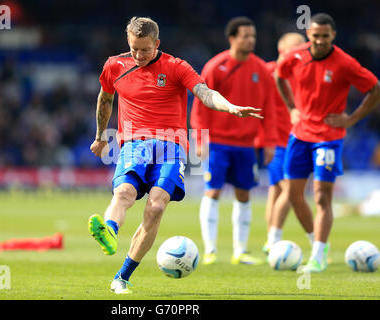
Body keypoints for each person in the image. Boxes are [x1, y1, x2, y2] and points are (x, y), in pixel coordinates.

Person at [88, 17, 262, 294]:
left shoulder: (176, 67)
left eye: (145, 49)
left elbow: (204, 93)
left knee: (156, 207)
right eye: (133, 49)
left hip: (171, 146)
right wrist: (99, 137)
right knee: (124, 193)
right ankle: (109, 230)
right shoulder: (114, 65)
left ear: (157, 43)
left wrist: (229, 107)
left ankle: (122, 277)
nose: (138, 55)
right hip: (134, 142)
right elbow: (105, 99)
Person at [274, 13, 380, 272]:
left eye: (324, 36)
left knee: (322, 197)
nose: (319, 41)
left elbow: (375, 88)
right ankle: (316, 243)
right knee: (294, 194)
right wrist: (291, 108)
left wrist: (352, 118)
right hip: (299, 135)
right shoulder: (296, 55)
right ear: (309, 35)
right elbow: (279, 74)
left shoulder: (345, 63)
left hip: (328, 139)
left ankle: (318, 255)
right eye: (315, 36)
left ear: (333, 36)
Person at [190, 17, 277, 266]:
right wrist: (200, 137)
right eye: (246, 36)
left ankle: (240, 251)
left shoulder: (260, 69)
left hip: (246, 144)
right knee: (213, 191)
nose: (251, 40)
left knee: (244, 194)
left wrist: (268, 141)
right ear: (232, 38)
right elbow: (201, 104)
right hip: (217, 142)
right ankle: (210, 250)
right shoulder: (216, 66)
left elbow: (268, 108)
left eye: (253, 36)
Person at [257, 32, 313, 255]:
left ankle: (270, 239)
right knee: (290, 190)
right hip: (277, 142)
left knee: (276, 190)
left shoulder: (302, 72)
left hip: (297, 139)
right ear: (282, 50)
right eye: (297, 47)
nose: (302, 51)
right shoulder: (268, 72)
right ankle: (273, 238)